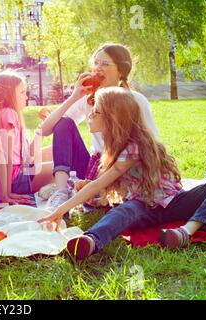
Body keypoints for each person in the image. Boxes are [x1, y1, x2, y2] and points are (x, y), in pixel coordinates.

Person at [38, 87, 206, 260]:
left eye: (96, 112)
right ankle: (90, 240)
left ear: (112, 118)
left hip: (175, 203)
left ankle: (186, 231)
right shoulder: (113, 147)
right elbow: (122, 189)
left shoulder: (134, 147)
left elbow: (97, 184)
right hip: (143, 207)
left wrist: (60, 210)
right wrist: (99, 201)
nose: (90, 115)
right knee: (123, 211)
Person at [39, 43, 159, 212]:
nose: (97, 68)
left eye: (105, 64)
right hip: (95, 167)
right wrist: (73, 97)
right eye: (95, 63)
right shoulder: (88, 99)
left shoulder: (136, 100)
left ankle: (79, 189)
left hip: (124, 169)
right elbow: (45, 131)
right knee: (64, 123)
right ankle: (61, 191)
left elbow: (150, 144)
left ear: (121, 71)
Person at [0, 70, 53, 202]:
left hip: (2, 180)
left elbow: (25, 156)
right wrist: (6, 194)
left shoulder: (1, 113)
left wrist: (41, 130)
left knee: (54, 150)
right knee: (60, 169)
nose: (26, 97)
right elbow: (5, 156)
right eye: (21, 92)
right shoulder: (8, 113)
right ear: (8, 94)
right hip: (12, 180)